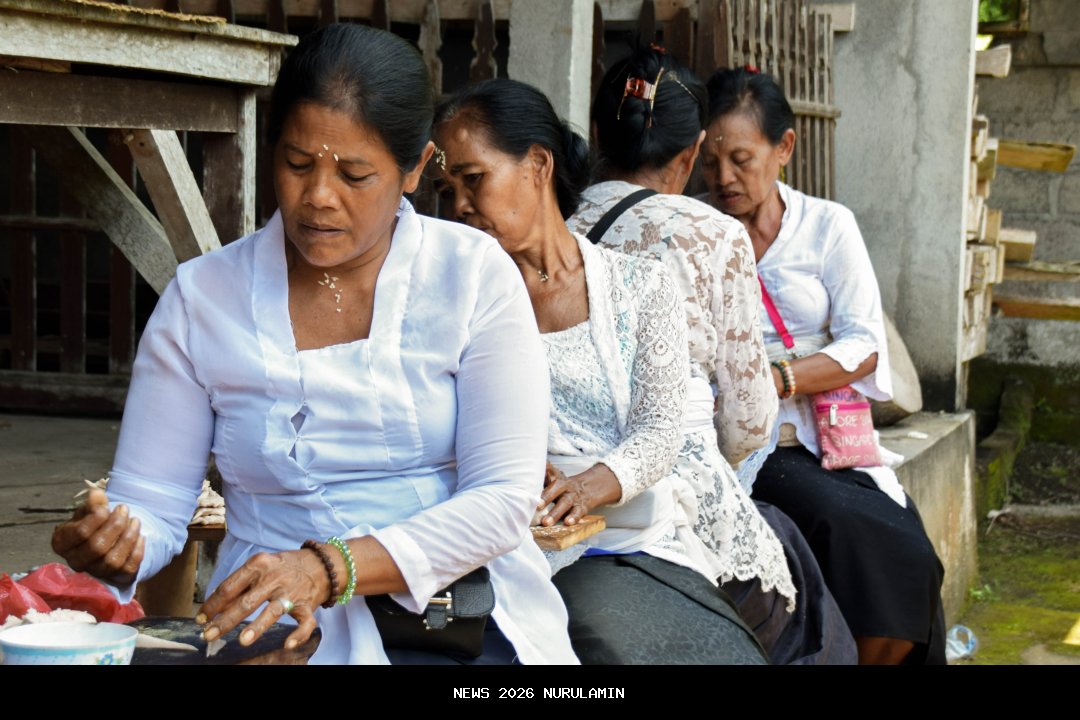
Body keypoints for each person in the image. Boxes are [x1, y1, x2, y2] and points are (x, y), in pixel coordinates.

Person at [49, 23, 578, 665]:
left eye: (355, 174)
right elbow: (153, 504)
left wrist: (329, 569)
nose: (319, 197)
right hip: (267, 626)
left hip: (452, 613)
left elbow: (501, 502)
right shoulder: (202, 298)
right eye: (297, 164)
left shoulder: (471, 276)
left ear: (414, 168)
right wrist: (118, 543)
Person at [433, 78, 767, 665]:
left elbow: (659, 431)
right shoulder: (454, 302)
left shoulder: (640, 285)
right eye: (447, 189)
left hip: (631, 532)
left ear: (538, 166)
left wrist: (584, 488)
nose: (459, 204)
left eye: (473, 179)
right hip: (510, 541)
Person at [566, 46, 855, 665]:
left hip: (558, 494)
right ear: (692, 151)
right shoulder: (710, 233)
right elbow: (748, 420)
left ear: (598, 132)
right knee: (800, 611)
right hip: (672, 500)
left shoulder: (549, 225)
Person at [700, 66, 947, 665]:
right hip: (752, 445)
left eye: (741, 158)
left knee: (912, 554)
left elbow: (864, 344)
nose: (724, 177)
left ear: (783, 147)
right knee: (854, 535)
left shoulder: (827, 225)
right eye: (711, 161)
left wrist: (777, 379)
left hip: (832, 437)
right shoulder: (697, 230)